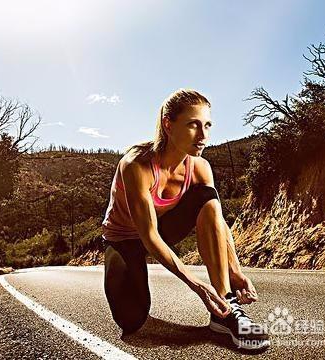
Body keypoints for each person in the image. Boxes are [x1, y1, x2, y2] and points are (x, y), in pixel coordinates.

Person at [101, 88, 270, 350]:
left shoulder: (200, 167)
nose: (203, 136)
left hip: (164, 228)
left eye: (207, 126)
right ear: (168, 125)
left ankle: (224, 312)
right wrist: (198, 286)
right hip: (124, 238)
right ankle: (128, 281)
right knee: (131, 320)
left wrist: (235, 271)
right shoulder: (136, 165)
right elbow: (149, 236)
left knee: (207, 197)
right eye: (193, 125)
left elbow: (216, 219)